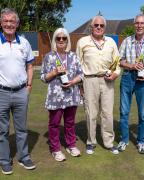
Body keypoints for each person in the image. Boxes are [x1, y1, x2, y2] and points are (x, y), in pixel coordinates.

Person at [76, 15, 120, 155]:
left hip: (108, 80)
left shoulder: (111, 42)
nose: (99, 28)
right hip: (90, 80)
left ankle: (108, 142)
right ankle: (91, 142)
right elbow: (78, 65)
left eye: (101, 25)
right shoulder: (82, 42)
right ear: (91, 27)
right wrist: (80, 85)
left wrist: (115, 74)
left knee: (107, 113)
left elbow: (117, 63)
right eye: (96, 25)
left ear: (105, 28)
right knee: (91, 112)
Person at [0, 8, 36, 175]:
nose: (9, 24)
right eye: (6, 21)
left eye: (12, 21)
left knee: (21, 129)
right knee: (2, 130)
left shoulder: (24, 42)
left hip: (21, 91)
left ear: (17, 24)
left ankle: (24, 157)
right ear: (1, 23)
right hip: (2, 93)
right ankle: (5, 161)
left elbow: (30, 66)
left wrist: (29, 86)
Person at [118, 14, 144, 154]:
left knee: (143, 113)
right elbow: (120, 60)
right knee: (124, 112)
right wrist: (131, 66)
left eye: (142, 23)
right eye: (137, 23)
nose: (139, 25)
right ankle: (124, 140)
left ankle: (141, 141)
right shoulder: (127, 41)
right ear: (134, 25)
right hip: (128, 78)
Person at [41, 28, 83, 162]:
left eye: (64, 38)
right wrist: (54, 72)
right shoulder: (49, 56)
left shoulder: (73, 56)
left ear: (67, 40)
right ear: (54, 40)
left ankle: (71, 145)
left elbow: (81, 74)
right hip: (55, 97)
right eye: (58, 38)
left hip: (71, 95)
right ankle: (55, 149)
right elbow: (43, 77)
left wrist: (73, 82)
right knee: (54, 124)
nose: (61, 40)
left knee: (70, 123)